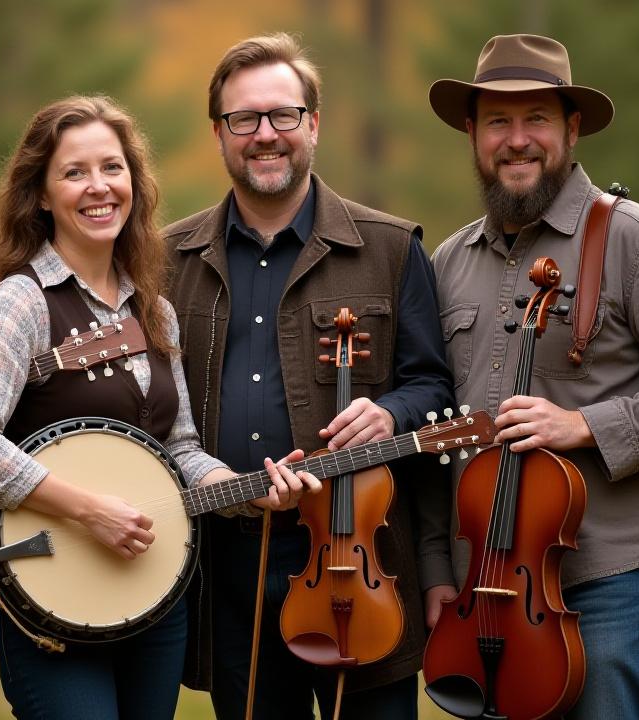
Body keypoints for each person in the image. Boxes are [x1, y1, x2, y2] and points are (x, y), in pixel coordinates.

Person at [0, 95, 316, 720]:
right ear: (40, 194)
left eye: (112, 168)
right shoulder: (22, 302)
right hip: (50, 596)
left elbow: (180, 450)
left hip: (154, 600)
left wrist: (242, 489)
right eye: (74, 172)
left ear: (134, 184)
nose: (98, 188)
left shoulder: (154, 310)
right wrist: (88, 511)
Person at [426, 33, 639, 718]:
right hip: (483, 591)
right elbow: (435, 431)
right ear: (472, 134)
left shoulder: (635, 239)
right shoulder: (447, 262)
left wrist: (584, 425)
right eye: (497, 122)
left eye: (536, 118)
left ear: (571, 129)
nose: (517, 140)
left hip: (611, 577)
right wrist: (435, 572)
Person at [163, 33, 457, 720]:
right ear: (219, 134)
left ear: (313, 124)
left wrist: (391, 413)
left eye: (283, 115)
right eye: (244, 120)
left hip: (363, 556)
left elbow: (435, 387)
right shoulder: (165, 258)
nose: (265, 135)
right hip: (231, 560)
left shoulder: (389, 249)